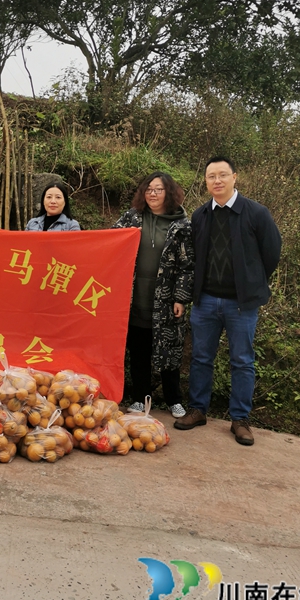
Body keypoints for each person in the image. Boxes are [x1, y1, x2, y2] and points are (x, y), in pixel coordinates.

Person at [174, 156, 282, 445]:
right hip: (206, 301)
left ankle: (240, 419)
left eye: (223, 175)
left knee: (243, 361)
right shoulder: (200, 216)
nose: (217, 181)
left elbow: (271, 253)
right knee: (200, 358)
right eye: (211, 176)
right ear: (206, 181)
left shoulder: (256, 213)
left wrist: (251, 282)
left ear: (235, 177)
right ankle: (198, 409)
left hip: (240, 304)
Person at [113, 172, 194, 418]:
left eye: (158, 190)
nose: (152, 194)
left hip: (166, 299)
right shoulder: (132, 217)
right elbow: (109, 241)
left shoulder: (181, 225)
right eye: (148, 189)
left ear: (169, 193)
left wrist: (180, 296)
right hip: (135, 295)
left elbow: (187, 265)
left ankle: (173, 399)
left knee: (169, 348)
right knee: (138, 349)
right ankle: (139, 398)